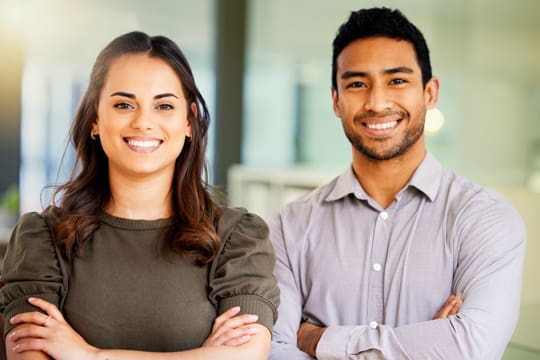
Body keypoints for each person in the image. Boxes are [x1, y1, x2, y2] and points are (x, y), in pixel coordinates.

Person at [0, 31, 279, 360]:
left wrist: (90, 356)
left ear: (189, 121)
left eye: (163, 105)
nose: (143, 121)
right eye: (123, 104)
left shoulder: (237, 238)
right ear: (94, 120)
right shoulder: (42, 239)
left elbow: (245, 356)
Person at [269, 7, 526, 360]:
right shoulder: (290, 226)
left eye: (397, 80)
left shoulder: (484, 219)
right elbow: (270, 349)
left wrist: (318, 339)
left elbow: (471, 348)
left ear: (430, 92)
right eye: (357, 84)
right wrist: (429, 342)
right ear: (336, 101)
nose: (376, 102)